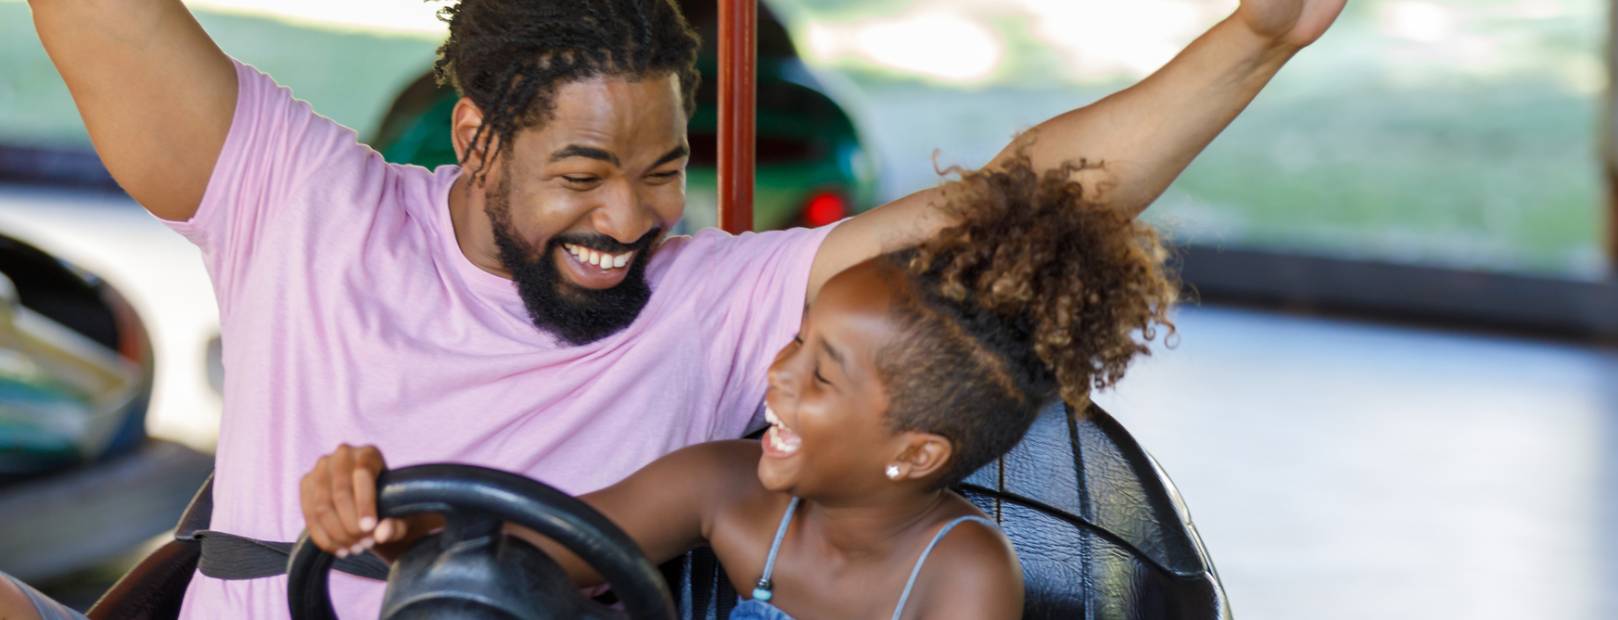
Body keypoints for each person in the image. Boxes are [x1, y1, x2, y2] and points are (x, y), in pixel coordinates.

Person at [23, 0, 1342, 614]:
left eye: (663, 172)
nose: (631, 220)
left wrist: (1256, 41)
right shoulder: (301, 204)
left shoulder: (719, 302)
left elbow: (1017, 204)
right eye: (582, 177)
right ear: (477, 137)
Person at [300, 153, 1175, 619]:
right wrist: (394, 520)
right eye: (796, 342)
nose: (778, 376)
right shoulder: (722, 486)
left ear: (916, 452)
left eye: (821, 373)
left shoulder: (964, 576)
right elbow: (524, 555)